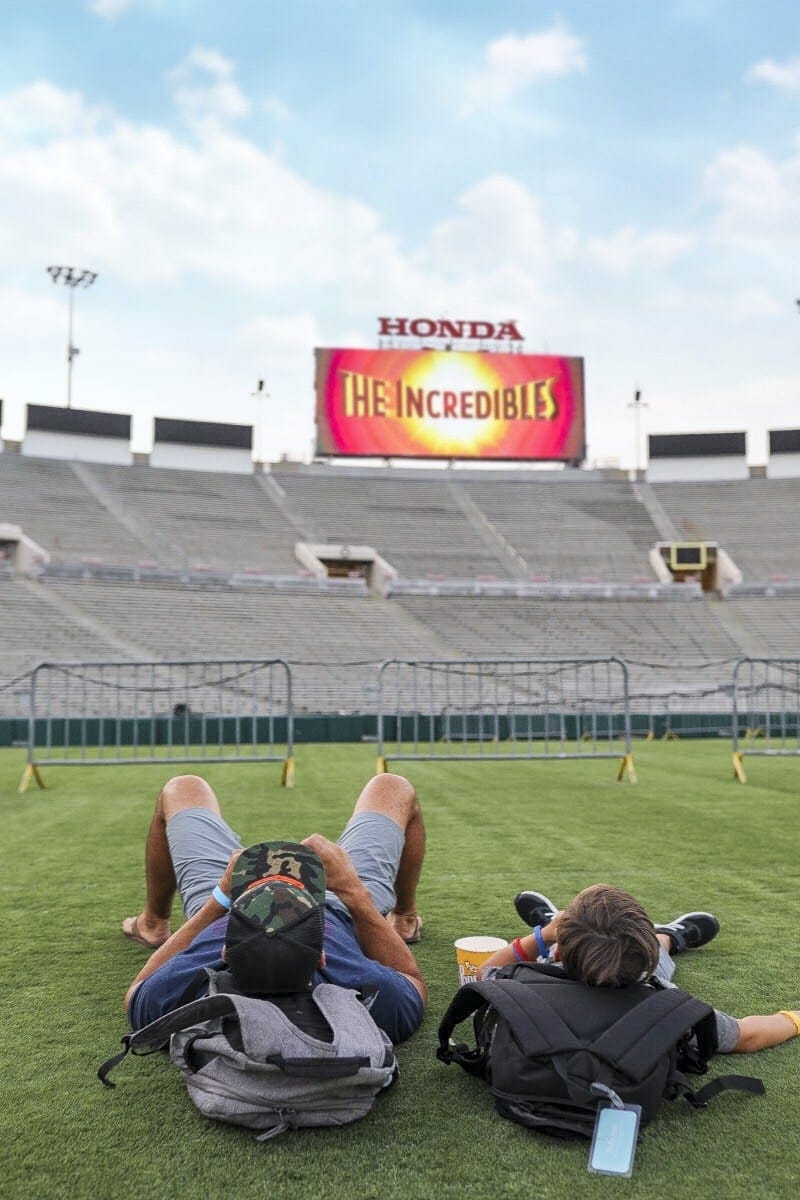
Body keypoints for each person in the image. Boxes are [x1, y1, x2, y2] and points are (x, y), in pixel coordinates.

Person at [122, 772, 426, 1045]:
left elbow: (137, 989)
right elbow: (411, 980)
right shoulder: (366, 994)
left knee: (183, 788)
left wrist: (220, 899)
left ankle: (153, 924)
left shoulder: (181, 996)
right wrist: (353, 891)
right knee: (393, 786)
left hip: (226, 905)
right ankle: (404, 919)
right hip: (336, 906)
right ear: (321, 957)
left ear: (224, 952)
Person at [481, 884, 800, 1054]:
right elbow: (748, 1036)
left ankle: (551, 921)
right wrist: (794, 1019)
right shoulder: (669, 1007)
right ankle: (669, 937)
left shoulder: (527, 985)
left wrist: (544, 936)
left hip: (557, 959)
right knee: (657, 953)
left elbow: (485, 974)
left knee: (542, 958)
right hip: (636, 982)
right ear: (647, 956)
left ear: (562, 950)